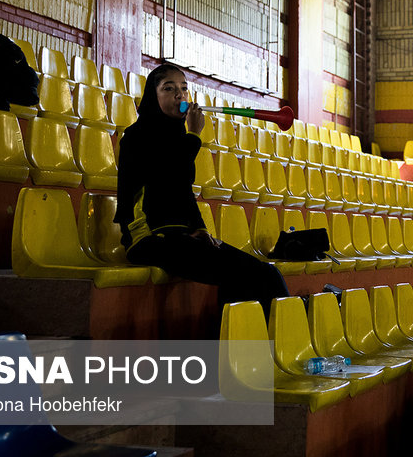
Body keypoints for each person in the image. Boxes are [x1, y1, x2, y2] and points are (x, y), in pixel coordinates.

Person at [114, 63, 289, 310]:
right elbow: (167, 174)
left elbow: (182, 190)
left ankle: (250, 344)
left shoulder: (175, 137)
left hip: (177, 236)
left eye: (184, 89)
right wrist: (194, 135)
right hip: (149, 240)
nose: (180, 95)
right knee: (249, 276)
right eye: (169, 88)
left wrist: (199, 228)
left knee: (265, 275)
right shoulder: (136, 136)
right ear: (153, 96)